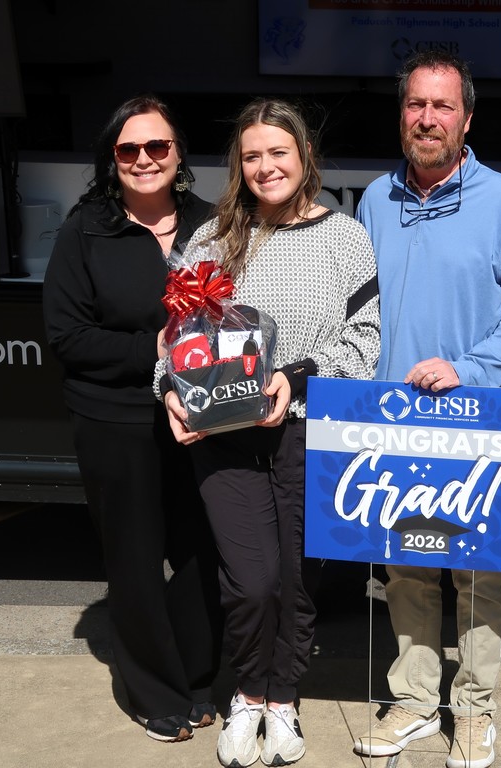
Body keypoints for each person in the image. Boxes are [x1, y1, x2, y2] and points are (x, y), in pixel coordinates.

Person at [159, 98, 381, 768]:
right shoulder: (207, 241)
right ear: (238, 165)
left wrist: (298, 377)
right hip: (223, 433)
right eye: (251, 156)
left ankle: (282, 700)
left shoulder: (345, 238)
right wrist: (170, 390)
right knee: (251, 581)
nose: (265, 166)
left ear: (303, 156)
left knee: (297, 579)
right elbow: (173, 342)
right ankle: (247, 696)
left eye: (277, 152)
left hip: (307, 434)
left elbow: (365, 343)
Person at [353, 50, 501, 768]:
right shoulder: (376, 199)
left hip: (478, 421)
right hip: (393, 421)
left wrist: (466, 369)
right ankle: (413, 701)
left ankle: (473, 711)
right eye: (416, 105)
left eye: (442, 106)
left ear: (466, 118)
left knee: (475, 570)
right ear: (401, 113)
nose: (428, 118)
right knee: (405, 567)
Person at [42, 95, 223, 743]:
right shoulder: (86, 229)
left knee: (207, 549)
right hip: (116, 421)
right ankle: (154, 692)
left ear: (179, 155)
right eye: (129, 150)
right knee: (135, 559)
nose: (144, 159)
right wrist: (150, 350)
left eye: (158, 147)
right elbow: (65, 336)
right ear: (112, 159)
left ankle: (197, 676)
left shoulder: (216, 224)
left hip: (206, 415)